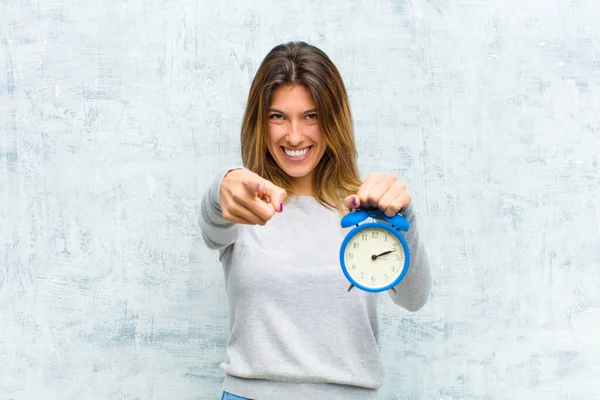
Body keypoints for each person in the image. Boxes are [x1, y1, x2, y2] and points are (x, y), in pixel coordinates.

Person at [199, 41, 432, 400]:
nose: (294, 135)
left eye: (311, 116)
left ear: (333, 120)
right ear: (260, 122)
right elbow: (213, 223)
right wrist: (224, 183)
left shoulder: (367, 209)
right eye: (278, 116)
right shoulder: (245, 202)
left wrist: (404, 218)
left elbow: (413, 298)